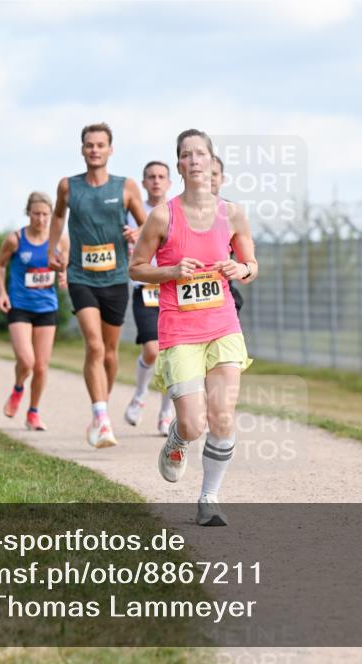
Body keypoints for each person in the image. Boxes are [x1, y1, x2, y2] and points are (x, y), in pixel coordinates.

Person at [129, 129, 258, 527]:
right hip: (180, 330)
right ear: (180, 166)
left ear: (211, 161)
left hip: (223, 326)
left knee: (223, 417)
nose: (195, 160)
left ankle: (209, 499)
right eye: (186, 154)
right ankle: (178, 437)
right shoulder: (162, 216)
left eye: (201, 153)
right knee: (193, 423)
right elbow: (136, 268)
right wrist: (170, 271)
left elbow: (252, 265)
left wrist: (241, 268)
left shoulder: (232, 213)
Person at [48, 122, 148, 448]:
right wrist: (51, 248)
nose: (94, 150)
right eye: (89, 145)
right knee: (94, 346)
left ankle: (100, 410)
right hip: (81, 276)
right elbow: (58, 217)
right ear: (82, 149)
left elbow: (149, 226)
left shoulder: (126, 187)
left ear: (110, 150)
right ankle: (102, 417)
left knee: (109, 352)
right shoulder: (68, 186)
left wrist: (137, 233)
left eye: (100, 145)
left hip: (116, 278)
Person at [0, 192, 68, 431]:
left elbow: (66, 265)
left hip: (47, 307)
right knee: (27, 361)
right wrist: (2, 293)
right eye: (36, 214)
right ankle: (18, 389)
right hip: (20, 306)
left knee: (41, 366)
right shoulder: (15, 239)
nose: (41, 219)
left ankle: (33, 413)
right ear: (28, 213)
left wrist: (64, 276)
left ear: (51, 215)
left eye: (45, 214)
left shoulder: (60, 240)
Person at [123, 160, 176, 435]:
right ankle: (140, 394)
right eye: (151, 177)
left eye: (161, 176)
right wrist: (128, 239)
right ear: (143, 183)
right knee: (152, 350)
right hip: (144, 289)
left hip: (172, 289)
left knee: (170, 355)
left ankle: (166, 412)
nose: (156, 181)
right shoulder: (132, 213)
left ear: (169, 182)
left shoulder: (176, 211)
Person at [211, 154, 244, 315]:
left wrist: (241, 268)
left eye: (214, 174)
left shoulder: (231, 211)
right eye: (206, 173)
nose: (210, 178)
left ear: (222, 178)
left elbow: (248, 261)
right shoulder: (176, 211)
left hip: (223, 290)